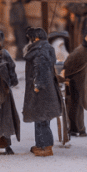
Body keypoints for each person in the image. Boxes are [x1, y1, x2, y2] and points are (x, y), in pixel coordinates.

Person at [22, 26, 64, 157]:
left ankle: (46, 146)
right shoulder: (44, 48)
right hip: (42, 90)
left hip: (41, 92)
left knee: (42, 118)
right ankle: (40, 144)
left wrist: (38, 85)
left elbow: (42, 69)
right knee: (39, 118)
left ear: (36, 38)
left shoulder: (41, 51)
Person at [61, 31, 87, 137]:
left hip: (76, 81)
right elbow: (68, 65)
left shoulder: (84, 49)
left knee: (74, 104)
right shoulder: (83, 51)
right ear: (86, 38)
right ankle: (79, 129)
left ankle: (74, 129)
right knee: (78, 105)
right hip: (77, 82)